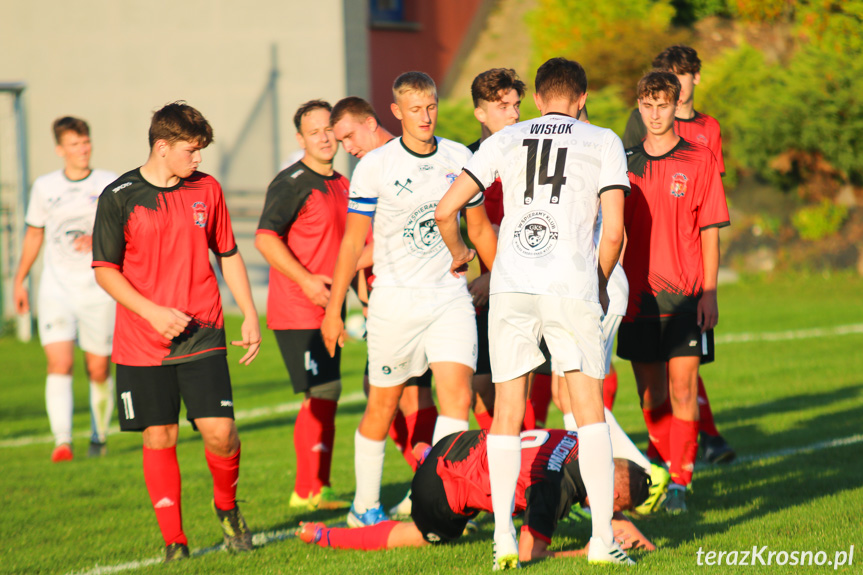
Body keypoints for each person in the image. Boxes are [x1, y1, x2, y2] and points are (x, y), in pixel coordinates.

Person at [436, 57, 632, 568]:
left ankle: (503, 540)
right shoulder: (604, 140)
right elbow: (613, 232)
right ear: (581, 99)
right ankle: (601, 542)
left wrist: (460, 255)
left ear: (540, 99)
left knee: (506, 411)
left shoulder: (505, 138)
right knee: (588, 411)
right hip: (570, 284)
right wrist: (602, 282)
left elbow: (444, 209)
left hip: (511, 286)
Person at [91, 102, 261, 561]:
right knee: (159, 436)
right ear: (162, 148)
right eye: (192, 149)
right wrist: (151, 312)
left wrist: (248, 310)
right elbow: (105, 270)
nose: (199, 159)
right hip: (142, 339)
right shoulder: (119, 195)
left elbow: (227, 252)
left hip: (203, 331)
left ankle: (227, 508)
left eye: (201, 149)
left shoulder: (208, 189)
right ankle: (175, 541)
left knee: (221, 433)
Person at [321, 72, 484, 529]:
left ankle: (446, 502)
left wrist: (494, 278)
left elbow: (482, 228)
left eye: (431, 107)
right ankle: (364, 506)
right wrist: (335, 310)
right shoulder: (374, 167)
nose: (425, 117)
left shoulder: (460, 156)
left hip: (450, 297)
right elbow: (353, 246)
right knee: (383, 405)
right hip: (395, 302)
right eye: (415, 109)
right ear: (396, 112)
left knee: (457, 399)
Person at [620, 71, 729, 515]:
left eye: (663, 104)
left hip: (685, 295)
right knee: (652, 396)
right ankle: (662, 469)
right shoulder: (623, 164)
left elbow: (709, 232)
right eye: (647, 105)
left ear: (674, 104)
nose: (656, 113)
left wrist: (710, 292)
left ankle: (681, 483)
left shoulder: (699, 158)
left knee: (684, 388)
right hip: (636, 297)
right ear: (639, 107)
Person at [297, 429, 654, 564]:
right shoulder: (553, 490)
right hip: (440, 490)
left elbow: (601, 484)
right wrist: (588, 550)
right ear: (615, 494)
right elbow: (531, 554)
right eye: (617, 506)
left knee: (494, 480)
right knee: (424, 537)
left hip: (457, 441)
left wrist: (624, 528)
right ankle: (325, 535)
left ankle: (426, 456)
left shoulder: (581, 441)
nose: (609, 511)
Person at [330, 97, 440, 519]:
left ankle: (420, 491)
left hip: (417, 299)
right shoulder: (367, 171)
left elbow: (396, 234)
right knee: (404, 397)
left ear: (371, 122)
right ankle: (426, 487)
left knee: (407, 398)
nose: (347, 148)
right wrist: (362, 293)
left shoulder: (406, 161)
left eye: (348, 137)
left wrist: (351, 263)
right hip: (385, 302)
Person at [255, 100, 351, 511]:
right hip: (298, 306)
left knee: (329, 392)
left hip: (332, 307)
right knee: (321, 391)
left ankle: (320, 487)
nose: (325, 137)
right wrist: (307, 280)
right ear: (301, 139)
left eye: (329, 128)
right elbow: (264, 238)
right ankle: (305, 490)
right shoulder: (291, 181)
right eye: (315, 132)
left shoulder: (342, 183)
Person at [13, 116, 117, 462]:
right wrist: (20, 280)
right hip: (56, 290)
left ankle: (99, 437)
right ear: (60, 149)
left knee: (99, 369)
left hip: (98, 290)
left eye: (86, 142)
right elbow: (33, 235)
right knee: (59, 364)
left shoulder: (109, 183)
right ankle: (62, 441)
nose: (83, 149)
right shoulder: (44, 187)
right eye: (74, 144)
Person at [464, 68, 525, 431]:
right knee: (481, 386)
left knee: (522, 385)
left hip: (524, 285)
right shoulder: (465, 159)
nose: (515, 114)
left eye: (516, 105)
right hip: (486, 291)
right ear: (480, 114)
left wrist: (494, 276)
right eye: (503, 106)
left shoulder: (533, 155)